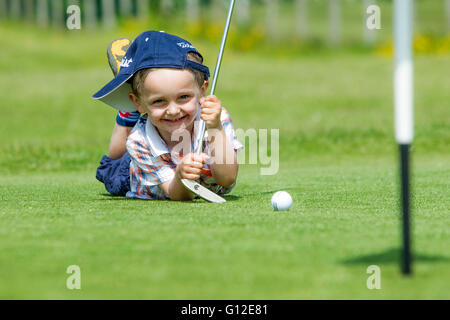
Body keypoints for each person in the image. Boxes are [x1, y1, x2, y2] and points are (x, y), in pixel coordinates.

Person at [93, 31, 243, 200]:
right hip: (131, 175)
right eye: (159, 101)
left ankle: (143, 97)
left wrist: (215, 128)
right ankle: (129, 112)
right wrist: (180, 176)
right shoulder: (138, 141)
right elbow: (177, 194)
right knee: (112, 165)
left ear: (202, 91)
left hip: (156, 129)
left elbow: (227, 178)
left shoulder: (215, 117)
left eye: (183, 97)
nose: (173, 110)